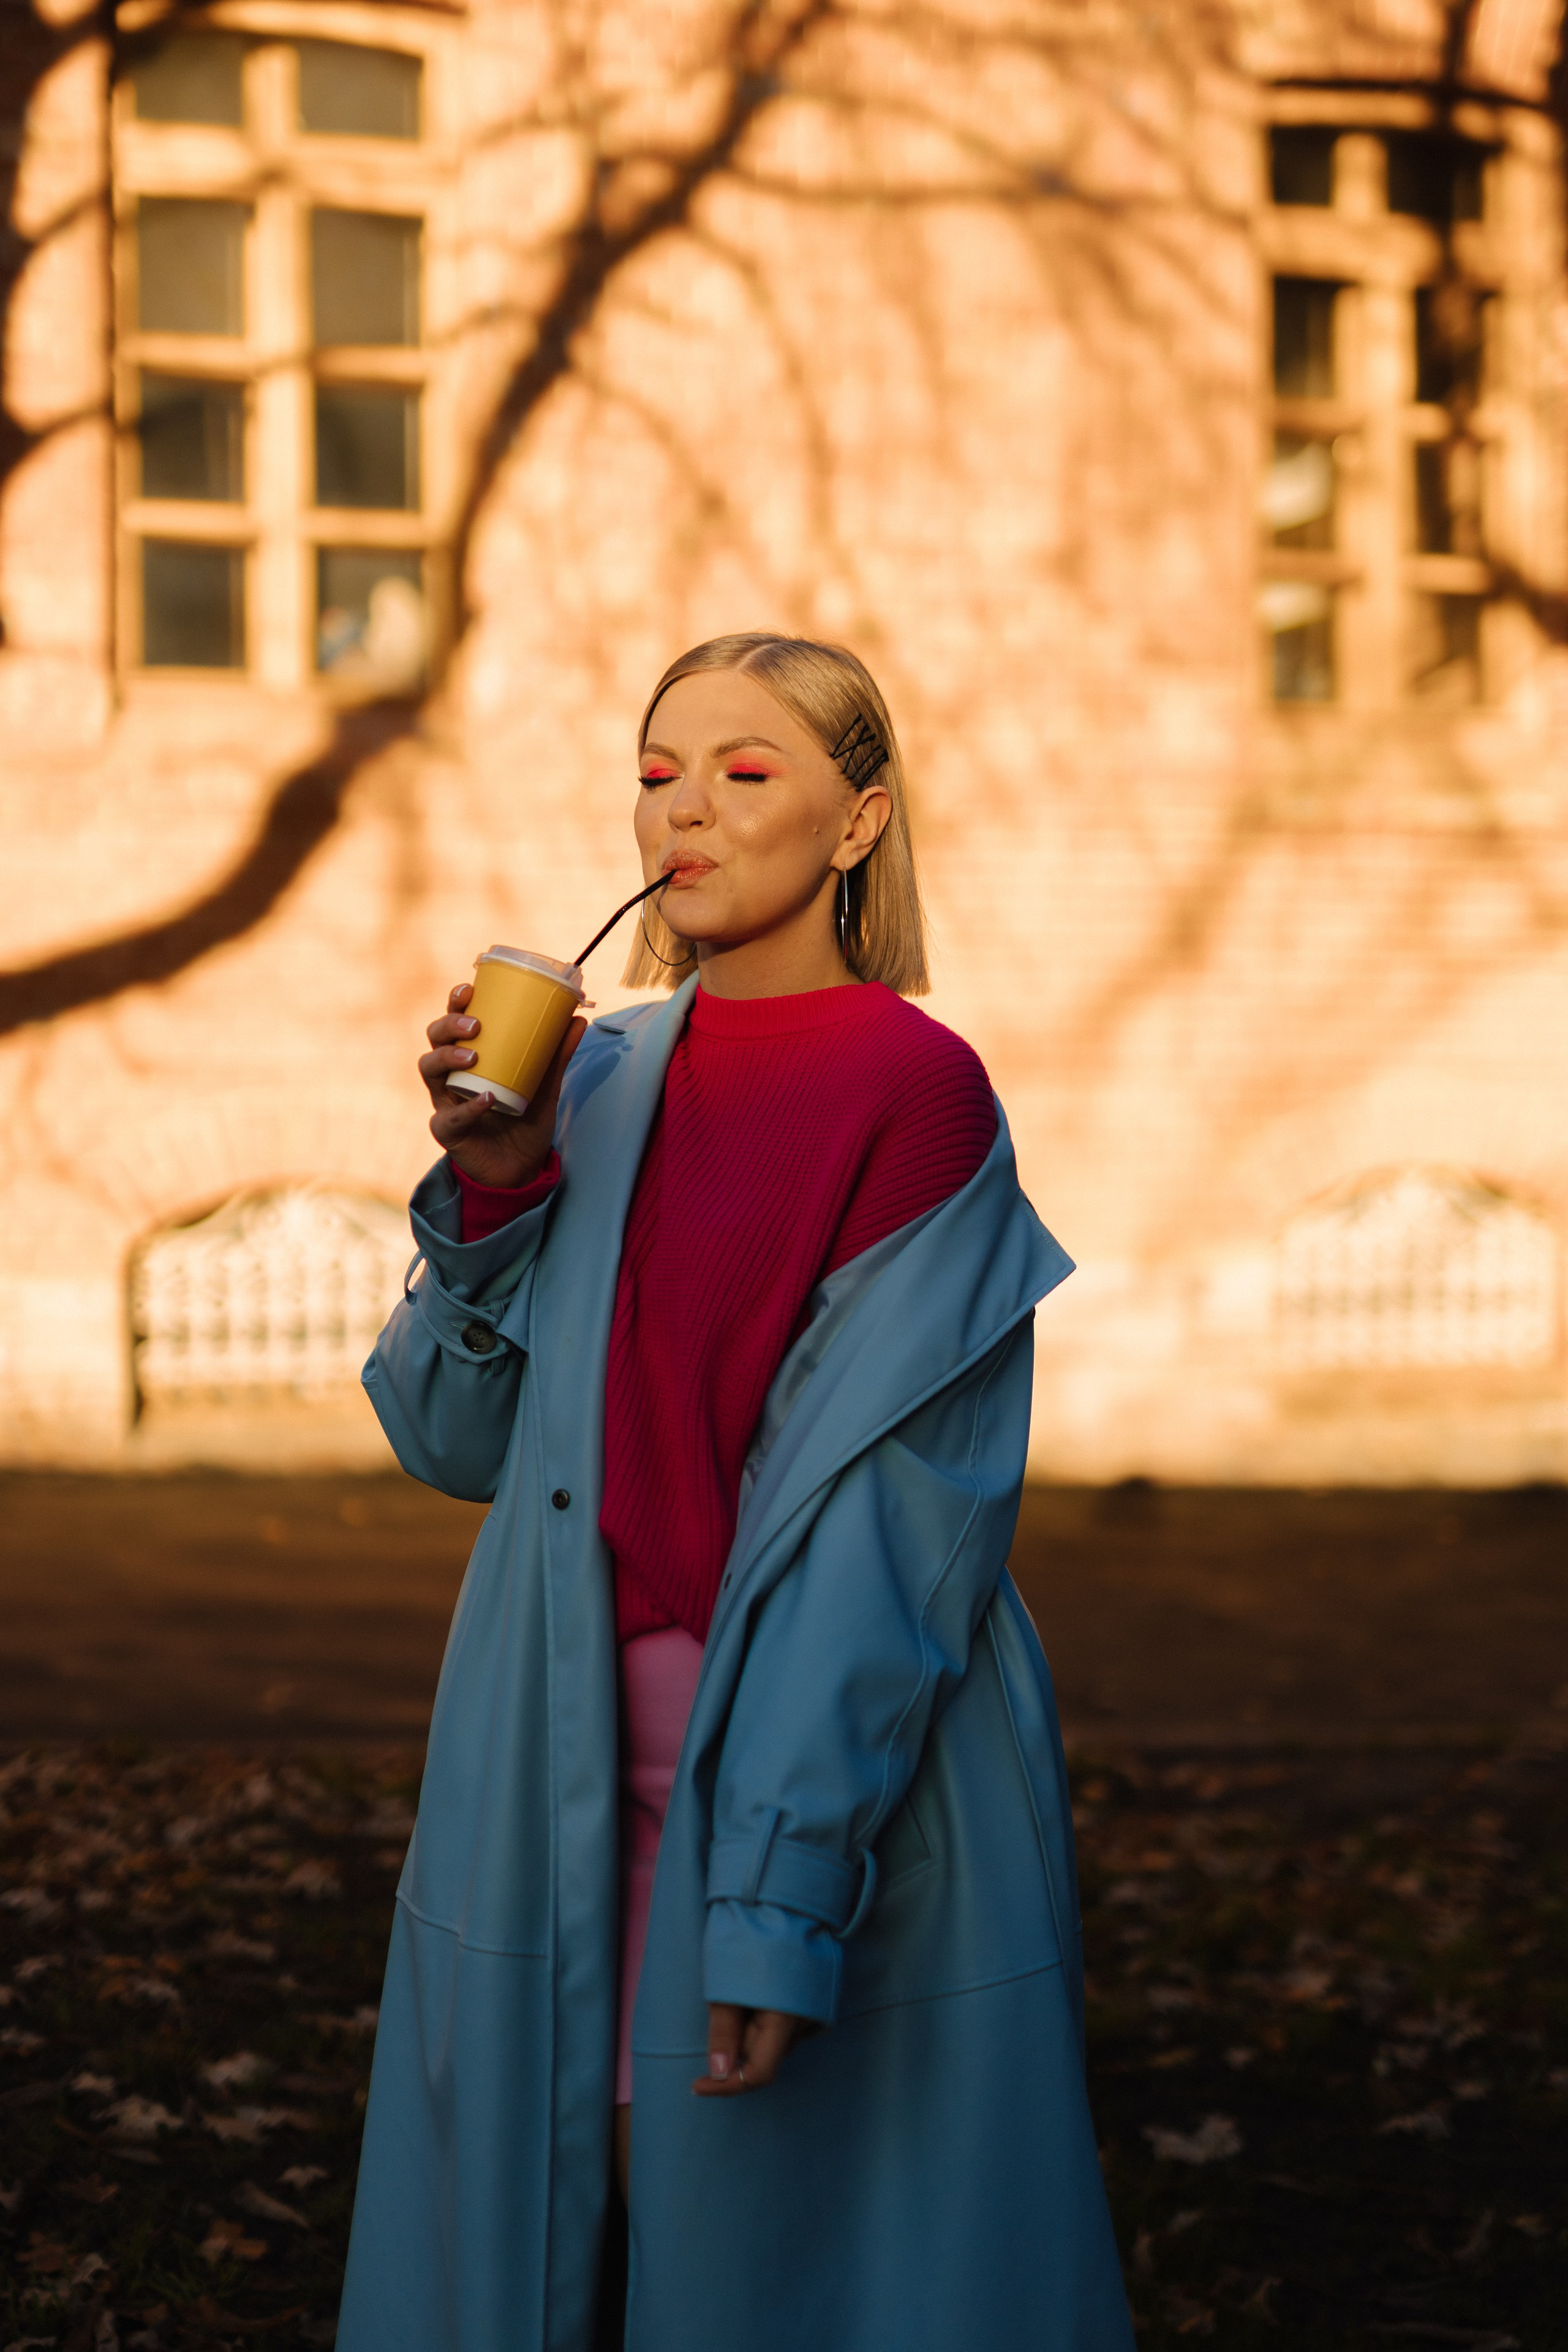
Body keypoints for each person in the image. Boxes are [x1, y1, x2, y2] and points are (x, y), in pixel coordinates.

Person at [337, 633, 1134, 2352]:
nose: (684, 806)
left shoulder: (918, 1092)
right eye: (655, 770)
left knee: (785, 2258)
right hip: (540, 1756)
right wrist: (492, 1188)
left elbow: (895, 1528)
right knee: (564, 2243)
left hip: (818, 1766)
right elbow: (454, 1444)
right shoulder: (591, 1075)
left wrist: (778, 1897)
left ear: (857, 824)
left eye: (745, 771)